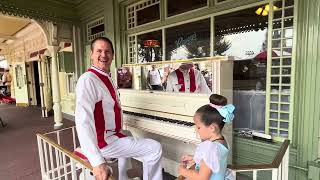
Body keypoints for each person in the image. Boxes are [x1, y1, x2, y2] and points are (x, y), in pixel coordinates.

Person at [75, 37, 163, 180]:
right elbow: (82, 121)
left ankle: (124, 177)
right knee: (154, 148)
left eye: (107, 51)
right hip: (103, 142)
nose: (103, 55)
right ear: (91, 54)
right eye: (99, 51)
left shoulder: (105, 77)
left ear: (113, 56)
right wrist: (97, 161)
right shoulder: (88, 80)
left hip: (110, 136)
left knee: (127, 134)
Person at [178, 94, 235, 180]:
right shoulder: (222, 140)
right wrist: (195, 159)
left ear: (212, 128)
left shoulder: (210, 148)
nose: (196, 130)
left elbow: (202, 178)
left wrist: (183, 171)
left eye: (198, 127)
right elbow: (214, 160)